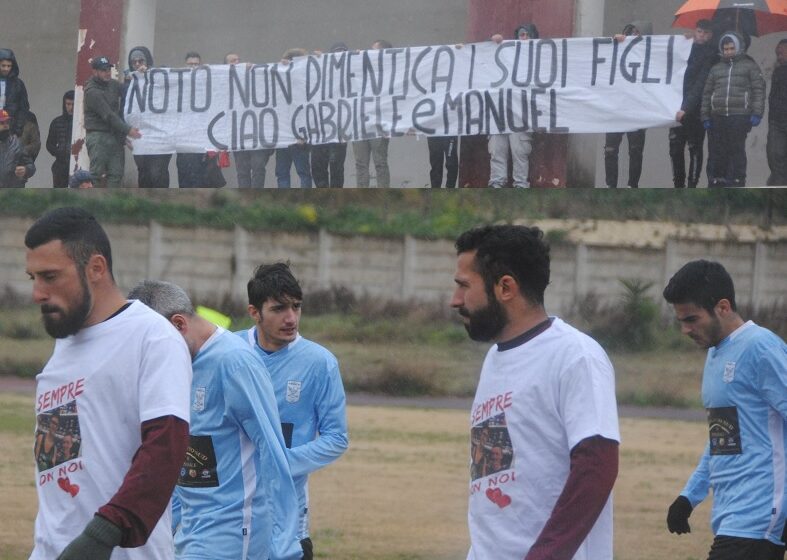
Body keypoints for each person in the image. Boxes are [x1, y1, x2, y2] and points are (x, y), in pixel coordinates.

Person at [24, 207, 191, 560]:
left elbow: (166, 448)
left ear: (96, 268)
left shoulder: (151, 336)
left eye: (50, 276)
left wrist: (102, 535)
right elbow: (62, 467)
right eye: (33, 278)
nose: (38, 292)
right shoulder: (64, 348)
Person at [451, 224, 620, 560]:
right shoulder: (495, 358)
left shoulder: (575, 356)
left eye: (464, 286)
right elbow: (495, 473)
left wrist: (546, 554)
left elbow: (597, 465)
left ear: (506, 287)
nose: (455, 300)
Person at [127, 280, 302, 560]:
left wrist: (285, 543)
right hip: (191, 530)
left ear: (179, 325)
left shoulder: (234, 363)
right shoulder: (178, 363)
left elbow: (273, 450)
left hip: (233, 532)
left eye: (150, 343)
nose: (148, 354)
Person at [662, 259, 787, 560]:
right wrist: (688, 497)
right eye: (681, 321)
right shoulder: (716, 354)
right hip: (731, 515)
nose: (685, 329)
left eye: (692, 319)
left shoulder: (761, 348)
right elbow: (724, 436)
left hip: (759, 516)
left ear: (723, 307)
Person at [239, 262, 349, 560]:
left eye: (296, 307)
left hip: (288, 526)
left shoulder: (320, 363)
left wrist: (281, 461)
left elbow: (336, 438)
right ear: (254, 312)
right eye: (278, 309)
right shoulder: (228, 354)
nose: (291, 318)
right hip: (231, 522)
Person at [701, 31, 765, 188]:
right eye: (726, 48)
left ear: (738, 48)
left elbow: (758, 90)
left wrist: (757, 113)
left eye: (731, 48)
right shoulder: (716, 69)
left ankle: (738, 179)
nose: (728, 51)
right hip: (719, 116)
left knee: (736, 149)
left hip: (739, 116)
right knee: (718, 150)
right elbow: (707, 93)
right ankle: (718, 179)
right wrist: (705, 116)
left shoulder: (750, 66)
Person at [488, 24, 538, 188]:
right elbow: (484, 64)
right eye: (521, 35)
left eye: (527, 35)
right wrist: (495, 44)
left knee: (519, 152)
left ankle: (521, 185)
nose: (523, 38)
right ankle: (496, 185)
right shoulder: (506, 54)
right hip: (499, 113)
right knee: (496, 152)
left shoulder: (539, 57)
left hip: (521, 115)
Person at [604, 21, 652, 188]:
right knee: (610, 150)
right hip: (616, 108)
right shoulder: (616, 50)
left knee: (636, 151)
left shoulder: (652, 54)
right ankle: (611, 186)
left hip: (637, 109)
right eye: (631, 32)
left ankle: (633, 185)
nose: (634, 36)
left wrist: (686, 42)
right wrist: (613, 42)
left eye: (638, 33)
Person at [670, 20, 717, 188]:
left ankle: (692, 185)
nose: (701, 35)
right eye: (699, 31)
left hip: (696, 110)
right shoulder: (685, 48)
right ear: (694, 31)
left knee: (695, 148)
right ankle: (678, 184)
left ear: (710, 35)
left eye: (705, 32)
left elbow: (700, 84)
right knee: (675, 148)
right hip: (677, 106)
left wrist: (686, 107)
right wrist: (683, 41)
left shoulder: (712, 54)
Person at [83, 55, 141, 188]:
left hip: (114, 135)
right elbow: (108, 115)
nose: (107, 73)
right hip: (98, 136)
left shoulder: (112, 84)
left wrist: (137, 79)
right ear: (95, 72)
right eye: (103, 70)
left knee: (116, 174)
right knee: (96, 175)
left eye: (108, 69)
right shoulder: (92, 91)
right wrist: (128, 130)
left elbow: (128, 92)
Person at [175, 53, 226, 188]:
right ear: (184, 66)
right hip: (184, 142)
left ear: (201, 65)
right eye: (190, 64)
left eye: (196, 64)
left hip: (203, 143)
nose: (193, 67)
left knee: (201, 180)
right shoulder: (177, 85)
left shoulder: (209, 85)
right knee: (185, 178)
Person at [226, 51, 275, 188]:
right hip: (238, 136)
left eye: (238, 60)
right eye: (232, 61)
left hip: (257, 135)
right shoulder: (222, 83)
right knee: (242, 171)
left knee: (258, 168)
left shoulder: (256, 78)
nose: (237, 63)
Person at [125, 46, 171, 188]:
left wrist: (151, 75)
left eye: (141, 61)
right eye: (134, 62)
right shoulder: (128, 83)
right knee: (144, 174)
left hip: (160, 137)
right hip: (140, 137)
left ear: (148, 61)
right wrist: (124, 133)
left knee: (157, 173)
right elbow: (123, 109)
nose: (138, 64)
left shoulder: (160, 77)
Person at [352, 40, 392, 187]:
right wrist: (353, 59)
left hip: (378, 124)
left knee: (380, 162)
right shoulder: (361, 67)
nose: (368, 52)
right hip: (359, 123)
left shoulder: (391, 72)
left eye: (373, 50)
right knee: (360, 164)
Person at [311, 43, 350, 188]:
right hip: (319, 130)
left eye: (343, 53)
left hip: (339, 130)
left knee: (336, 169)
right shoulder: (321, 70)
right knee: (317, 168)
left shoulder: (352, 72)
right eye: (337, 53)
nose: (339, 56)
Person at [276, 49, 313, 188]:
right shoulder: (278, 78)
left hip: (299, 137)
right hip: (284, 136)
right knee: (283, 173)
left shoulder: (307, 80)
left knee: (300, 173)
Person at [767, 39, 787, 186]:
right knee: (774, 156)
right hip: (776, 121)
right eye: (777, 54)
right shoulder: (778, 71)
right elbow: (772, 97)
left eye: (781, 53)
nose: (778, 57)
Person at [46, 90, 74, 188]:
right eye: (68, 104)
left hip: (76, 164)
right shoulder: (56, 122)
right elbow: (49, 144)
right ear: (64, 104)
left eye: (73, 104)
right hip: (60, 165)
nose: (71, 107)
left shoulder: (81, 123)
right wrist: (59, 153)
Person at [0, 108, 35, 187]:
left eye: (7, 122)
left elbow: (31, 166)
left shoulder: (17, 143)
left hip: (12, 190)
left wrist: (26, 170)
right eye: (2, 123)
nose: (5, 125)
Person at [0, 47, 30, 137]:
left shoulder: (18, 84)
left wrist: (17, 130)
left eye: (9, 66)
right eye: (3, 65)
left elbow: (23, 108)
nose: (6, 69)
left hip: (10, 130)